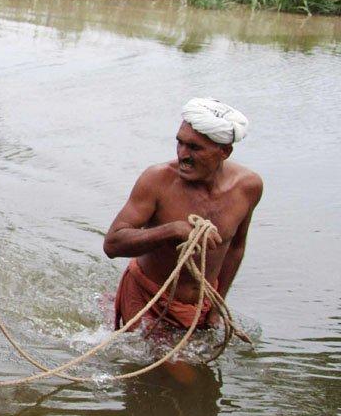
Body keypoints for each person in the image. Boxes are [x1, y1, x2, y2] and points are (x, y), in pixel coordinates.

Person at [104, 98, 263, 333]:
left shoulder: (248, 187)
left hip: (200, 307)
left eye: (195, 148)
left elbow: (235, 248)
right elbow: (112, 244)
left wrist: (217, 307)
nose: (183, 155)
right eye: (180, 143)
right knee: (176, 369)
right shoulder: (157, 180)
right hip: (148, 298)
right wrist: (172, 230)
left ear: (224, 152)